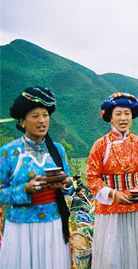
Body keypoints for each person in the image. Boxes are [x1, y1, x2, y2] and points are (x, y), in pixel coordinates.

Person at [0, 87, 73, 268]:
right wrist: (25, 190)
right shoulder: (8, 153)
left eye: (45, 115)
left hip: (54, 224)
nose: (42, 121)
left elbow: (70, 185)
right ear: (22, 121)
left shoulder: (57, 150)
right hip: (21, 227)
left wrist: (66, 183)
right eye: (35, 116)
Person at [87, 92, 138, 268]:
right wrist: (113, 194)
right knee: (112, 255)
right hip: (110, 208)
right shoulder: (100, 145)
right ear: (110, 117)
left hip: (136, 205)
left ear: (132, 116)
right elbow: (92, 177)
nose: (123, 118)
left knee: (135, 251)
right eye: (118, 114)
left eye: (127, 113)